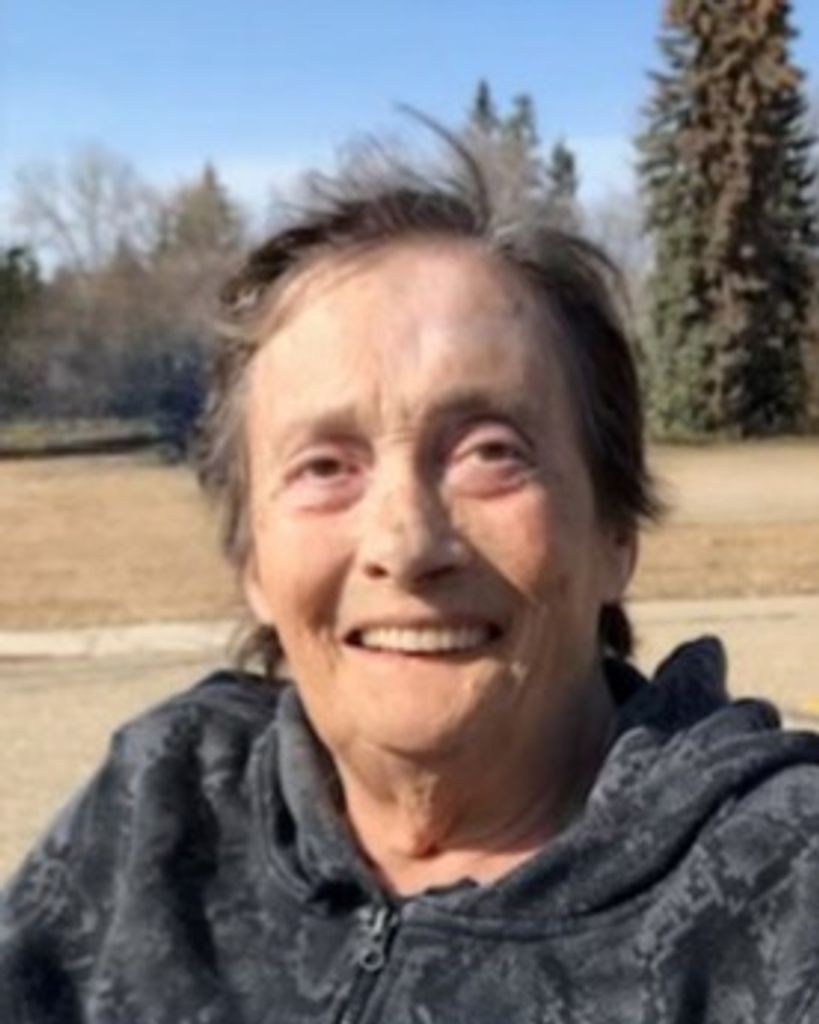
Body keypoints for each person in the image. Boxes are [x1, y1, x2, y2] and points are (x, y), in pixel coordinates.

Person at [2, 134, 819, 1024]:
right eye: (324, 466)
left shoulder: (781, 888)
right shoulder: (162, 804)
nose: (405, 542)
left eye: (490, 452)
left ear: (615, 532)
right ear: (252, 561)